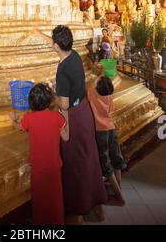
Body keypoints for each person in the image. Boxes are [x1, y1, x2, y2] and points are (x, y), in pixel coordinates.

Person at [35, 26, 107, 224]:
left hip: (73, 117)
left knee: (76, 165)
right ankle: (98, 207)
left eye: (52, 42)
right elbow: (54, 43)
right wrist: (37, 32)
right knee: (90, 159)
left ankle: (78, 212)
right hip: (84, 111)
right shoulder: (74, 54)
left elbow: (64, 104)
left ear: (57, 45)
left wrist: (51, 93)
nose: (52, 44)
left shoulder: (62, 70)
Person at [10, 83, 67, 225]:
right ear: (49, 101)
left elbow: (20, 127)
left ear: (31, 103)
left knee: (40, 198)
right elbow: (66, 137)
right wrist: (64, 114)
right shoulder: (57, 117)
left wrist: (12, 120)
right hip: (54, 166)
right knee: (55, 197)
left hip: (38, 168)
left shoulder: (29, 118)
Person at [87, 76, 127, 205]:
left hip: (100, 132)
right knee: (116, 158)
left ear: (97, 86)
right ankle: (118, 188)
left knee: (106, 163)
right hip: (111, 128)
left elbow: (90, 84)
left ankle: (119, 197)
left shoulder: (91, 93)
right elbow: (111, 109)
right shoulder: (109, 96)